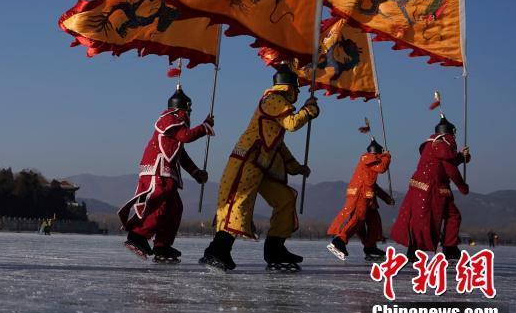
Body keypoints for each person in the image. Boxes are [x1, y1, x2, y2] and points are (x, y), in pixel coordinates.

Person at [200, 65, 318, 271]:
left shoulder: (277, 103)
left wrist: (296, 167)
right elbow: (291, 124)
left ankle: (275, 248)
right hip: (247, 160)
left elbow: (278, 144)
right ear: (287, 87)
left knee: (285, 198)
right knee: (238, 204)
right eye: (296, 88)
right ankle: (217, 250)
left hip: (263, 166)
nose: (298, 93)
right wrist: (308, 111)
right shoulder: (273, 100)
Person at [119, 86, 213, 264]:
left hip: (166, 172)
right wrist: (204, 127)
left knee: (174, 208)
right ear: (181, 108)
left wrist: (195, 172)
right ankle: (138, 235)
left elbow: (181, 154)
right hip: (157, 170)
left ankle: (162, 245)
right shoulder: (170, 119)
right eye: (189, 109)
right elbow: (185, 137)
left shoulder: (176, 126)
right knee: (160, 203)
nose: (190, 113)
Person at [390, 114, 471, 260]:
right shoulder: (444, 144)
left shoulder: (433, 144)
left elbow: (445, 163)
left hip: (421, 186)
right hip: (433, 189)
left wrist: (460, 157)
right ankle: (448, 247)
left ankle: (421, 250)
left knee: (418, 218)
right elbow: (450, 169)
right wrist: (462, 187)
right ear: (450, 134)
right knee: (440, 217)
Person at [326, 137, 394, 261]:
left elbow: (373, 185)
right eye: (379, 155)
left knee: (374, 220)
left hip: (368, 197)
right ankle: (340, 240)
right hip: (359, 195)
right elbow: (382, 168)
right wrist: (387, 156)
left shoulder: (371, 165)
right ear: (376, 154)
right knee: (358, 217)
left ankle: (370, 246)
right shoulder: (367, 158)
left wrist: (386, 198)